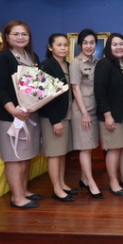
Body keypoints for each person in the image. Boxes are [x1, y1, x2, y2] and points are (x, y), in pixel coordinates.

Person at [0, 20, 42, 209]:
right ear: (7, 36)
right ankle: (17, 197)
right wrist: (13, 110)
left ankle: (24, 190)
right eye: (16, 34)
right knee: (14, 157)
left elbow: (36, 86)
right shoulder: (3, 57)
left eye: (24, 34)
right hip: (10, 115)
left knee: (26, 154)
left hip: (29, 114)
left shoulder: (32, 56)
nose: (20, 37)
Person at [95, 33, 123, 196]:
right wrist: (107, 115)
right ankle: (113, 181)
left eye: (121, 44)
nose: (119, 47)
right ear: (109, 47)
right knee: (114, 148)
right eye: (115, 44)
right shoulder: (104, 64)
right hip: (112, 114)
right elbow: (100, 91)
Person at [39, 33, 75, 202]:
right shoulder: (46, 66)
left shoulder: (68, 65)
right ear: (50, 47)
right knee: (54, 154)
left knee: (62, 153)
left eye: (65, 45)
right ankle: (56, 189)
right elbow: (46, 97)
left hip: (66, 115)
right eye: (59, 45)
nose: (63, 48)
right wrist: (55, 121)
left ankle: (61, 183)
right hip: (52, 118)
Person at [69, 29, 103, 198]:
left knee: (89, 147)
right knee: (85, 148)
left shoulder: (97, 62)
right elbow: (75, 89)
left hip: (94, 109)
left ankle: (84, 179)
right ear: (80, 45)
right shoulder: (76, 63)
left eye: (92, 43)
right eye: (85, 43)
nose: (89, 46)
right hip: (82, 110)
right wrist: (84, 114)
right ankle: (91, 183)